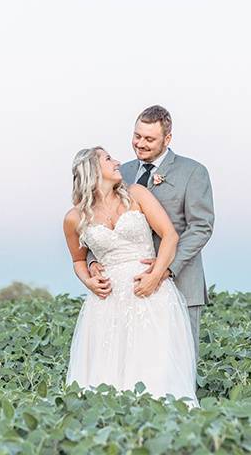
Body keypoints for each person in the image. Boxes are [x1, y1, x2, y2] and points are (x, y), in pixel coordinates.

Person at [62, 147, 198, 406]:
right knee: (108, 370)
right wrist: (88, 280)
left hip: (150, 293)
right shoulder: (74, 217)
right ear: (91, 169)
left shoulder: (137, 194)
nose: (117, 162)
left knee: (154, 366)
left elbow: (170, 235)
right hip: (107, 303)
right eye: (108, 159)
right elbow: (78, 259)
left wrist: (156, 275)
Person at [87, 105, 215, 360]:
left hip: (179, 283)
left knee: (177, 363)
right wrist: (92, 262)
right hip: (126, 290)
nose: (140, 144)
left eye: (149, 139)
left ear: (167, 139)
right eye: (137, 136)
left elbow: (201, 227)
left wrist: (164, 269)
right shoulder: (119, 173)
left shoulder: (193, 172)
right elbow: (98, 221)